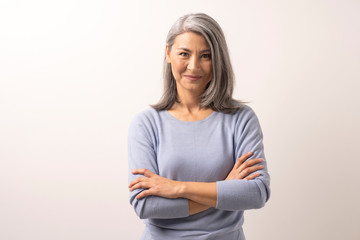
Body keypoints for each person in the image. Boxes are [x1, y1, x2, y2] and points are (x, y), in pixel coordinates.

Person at [128, 13, 270, 240]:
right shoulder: (146, 123)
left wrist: (178, 188)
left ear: (218, 59)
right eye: (184, 54)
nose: (193, 66)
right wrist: (224, 189)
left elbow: (256, 193)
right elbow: (146, 205)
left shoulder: (241, 119)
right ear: (168, 54)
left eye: (206, 55)